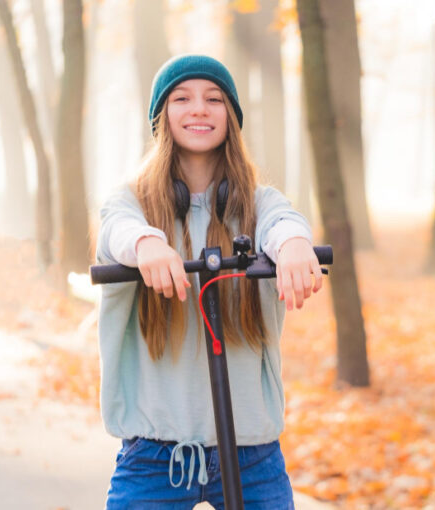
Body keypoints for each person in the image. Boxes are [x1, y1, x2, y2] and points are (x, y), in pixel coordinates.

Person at [95, 54, 322, 509]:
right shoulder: (131, 203)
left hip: (251, 454)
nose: (199, 108)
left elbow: (281, 220)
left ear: (231, 119)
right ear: (163, 118)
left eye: (213, 99)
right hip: (155, 456)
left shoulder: (257, 204)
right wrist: (147, 244)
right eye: (182, 98)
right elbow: (116, 227)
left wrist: (295, 243)